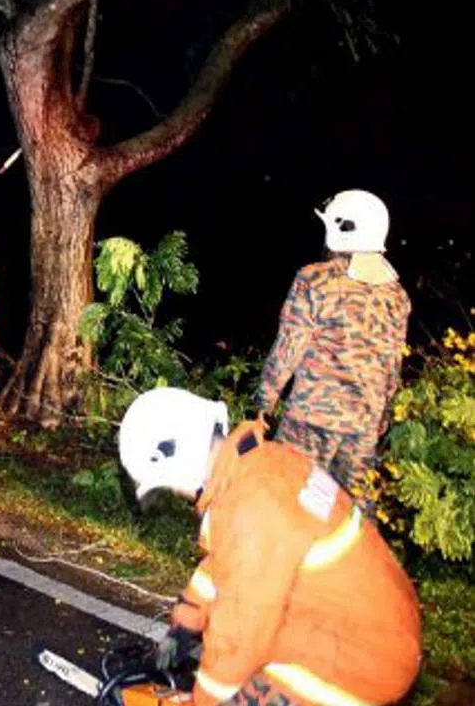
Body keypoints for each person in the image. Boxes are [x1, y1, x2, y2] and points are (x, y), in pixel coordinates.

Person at [118, 386, 422, 706]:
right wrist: (184, 626)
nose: (178, 493)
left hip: (356, 661)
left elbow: (240, 632)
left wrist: (204, 699)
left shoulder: (252, 504)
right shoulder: (263, 466)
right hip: (364, 632)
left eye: (169, 484)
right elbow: (225, 569)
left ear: (177, 459)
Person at [256, 189, 411, 517]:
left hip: (310, 420)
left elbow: (288, 348)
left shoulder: (314, 279)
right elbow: (392, 366)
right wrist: (380, 419)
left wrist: (265, 402)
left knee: (282, 502)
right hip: (363, 427)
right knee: (350, 517)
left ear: (340, 229)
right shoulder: (397, 297)